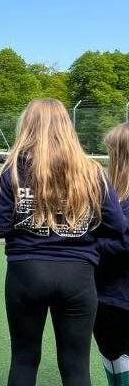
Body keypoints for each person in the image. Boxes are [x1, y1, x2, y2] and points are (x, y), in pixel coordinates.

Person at [0, 99, 129, 386]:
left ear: (26, 126)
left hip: (26, 273)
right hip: (78, 276)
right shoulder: (91, 171)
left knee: (24, 359)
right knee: (76, 365)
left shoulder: (13, 169)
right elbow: (118, 226)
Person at [95, 123, 129, 385]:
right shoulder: (111, 197)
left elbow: (124, 245)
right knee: (113, 361)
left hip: (118, 299)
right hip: (107, 297)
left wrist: (82, 245)